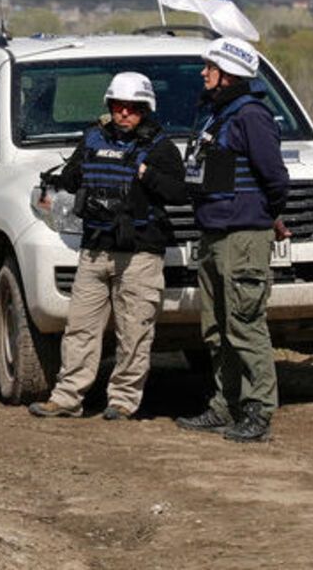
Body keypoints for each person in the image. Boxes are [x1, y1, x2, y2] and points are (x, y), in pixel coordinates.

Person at [29, 72, 187, 421]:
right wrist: (67, 176)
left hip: (140, 254)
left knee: (134, 332)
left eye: (132, 108)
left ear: (145, 109)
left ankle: (123, 401)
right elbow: (71, 179)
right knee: (79, 329)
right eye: (118, 106)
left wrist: (146, 174)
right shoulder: (92, 138)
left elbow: (179, 193)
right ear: (110, 106)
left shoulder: (161, 148)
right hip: (95, 250)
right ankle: (66, 398)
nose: (124, 113)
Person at [175, 37, 291, 443]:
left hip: (242, 237)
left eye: (210, 67)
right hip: (213, 233)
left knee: (244, 323)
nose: (203, 73)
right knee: (215, 327)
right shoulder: (216, 115)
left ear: (229, 74)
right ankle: (226, 405)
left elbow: (275, 179)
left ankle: (258, 411)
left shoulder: (251, 116)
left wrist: (264, 215)